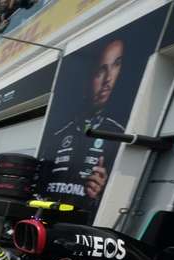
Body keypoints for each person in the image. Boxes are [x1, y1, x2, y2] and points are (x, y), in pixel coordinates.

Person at [45, 38, 126, 207]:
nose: (108, 81)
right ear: (87, 79)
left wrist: (103, 193)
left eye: (116, 65)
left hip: (84, 223)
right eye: (100, 72)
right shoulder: (57, 135)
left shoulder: (120, 135)